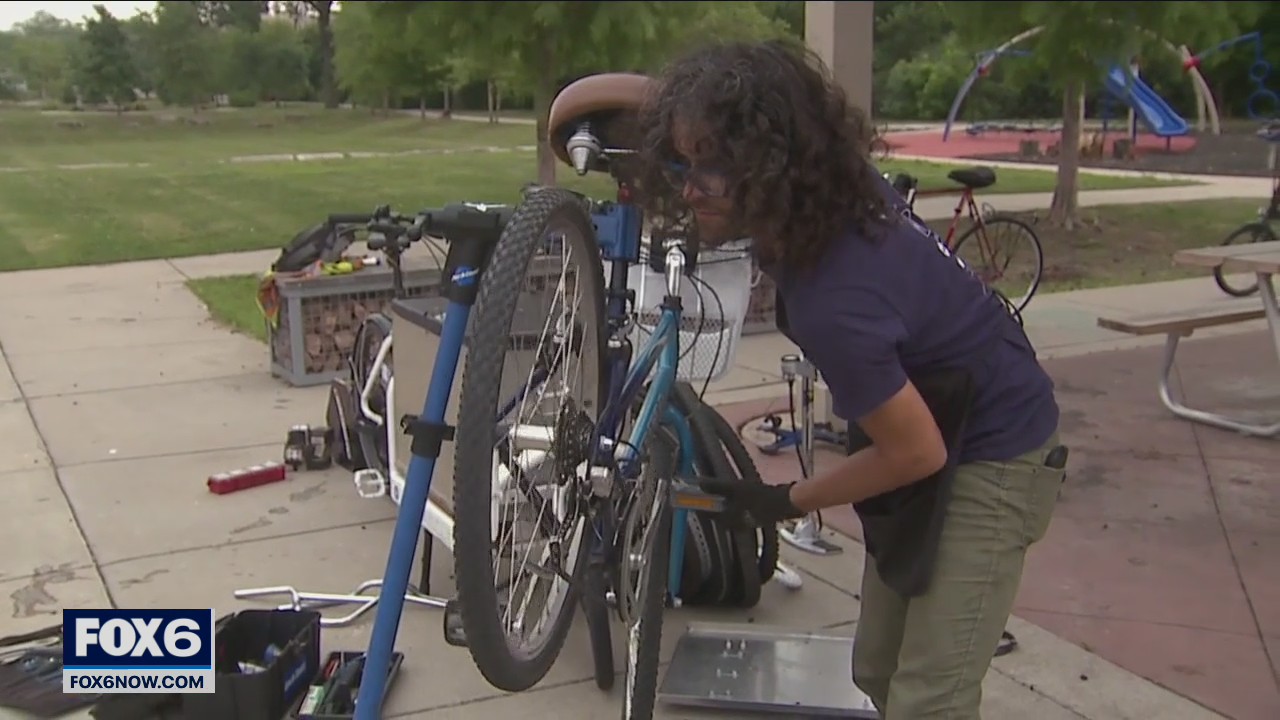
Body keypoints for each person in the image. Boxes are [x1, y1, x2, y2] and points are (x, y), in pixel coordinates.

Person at [634, 40, 1067, 719]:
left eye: (711, 167)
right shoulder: (829, 186)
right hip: (943, 416)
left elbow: (914, 453)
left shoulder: (836, 295)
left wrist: (784, 501)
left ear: (766, 166)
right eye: (681, 162)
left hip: (996, 450)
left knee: (931, 696)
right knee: (875, 668)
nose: (689, 188)